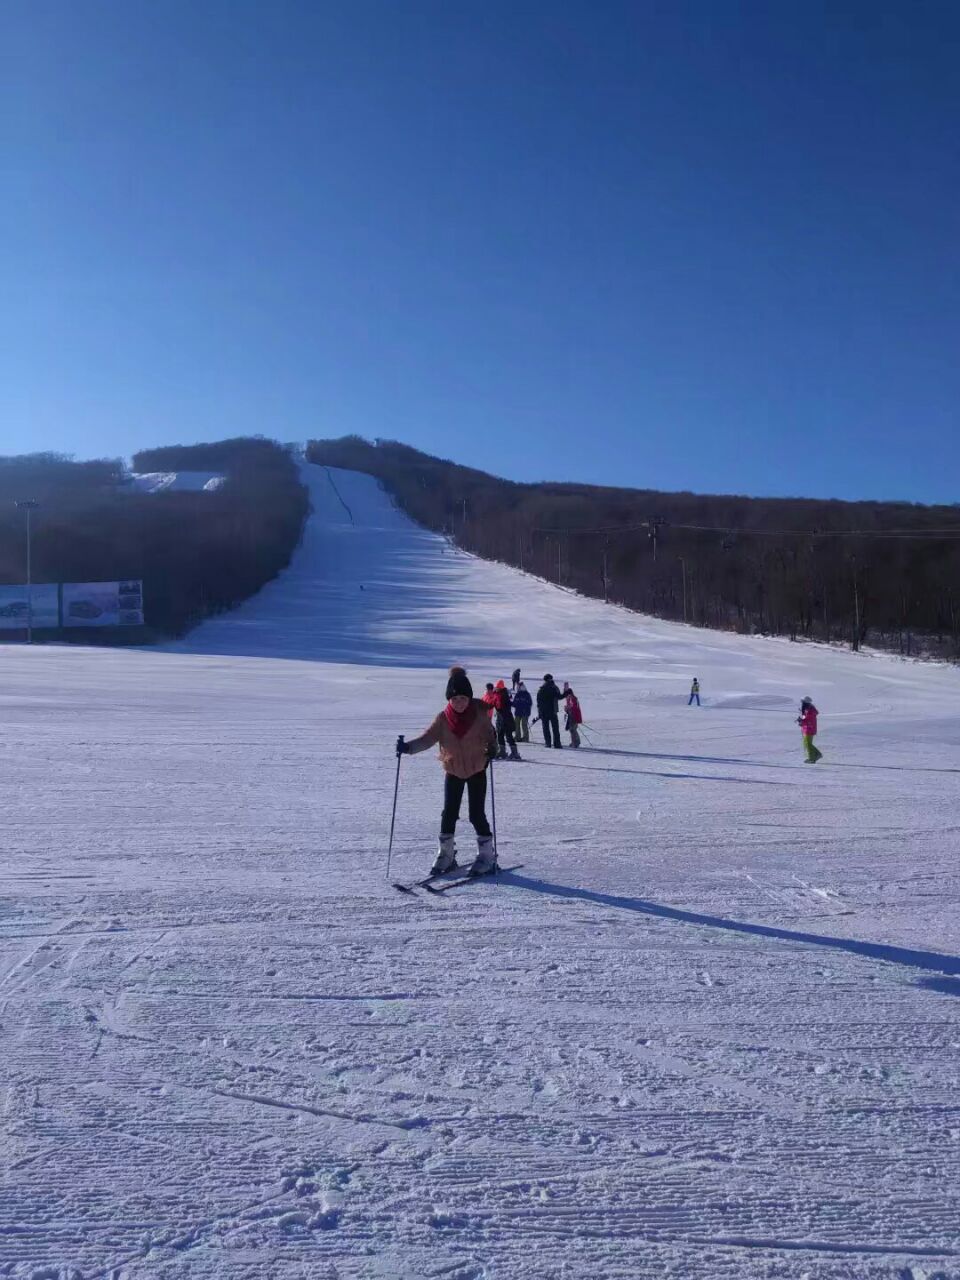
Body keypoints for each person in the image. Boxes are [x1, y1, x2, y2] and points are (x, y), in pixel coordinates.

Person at [397, 666, 498, 876]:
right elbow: (426, 739)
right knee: (448, 813)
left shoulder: (479, 715)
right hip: (452, 771)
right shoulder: (443, 719)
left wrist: (493, 748)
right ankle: (446, 855)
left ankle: (487, 856)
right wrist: (407, 748)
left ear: (469, 698)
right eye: (455, 699)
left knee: (476, 814)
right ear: (449, 700)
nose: (459, 703)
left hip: (477, 769)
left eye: (463, 698)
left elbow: (490, 735)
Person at [493, 680, 521, 760]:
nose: (496, 689)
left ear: (501, 688)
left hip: (506, 718)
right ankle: (502, 751)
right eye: (496, 687)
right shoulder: (498, 694)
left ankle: (515, 753)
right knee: (500, 735)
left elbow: (499, 706)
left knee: (508, 735)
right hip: (501, 718)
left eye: (498, 687)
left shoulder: (503, 695)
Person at [536, 674, 565, 748]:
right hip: (552, 711)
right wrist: (567, 692)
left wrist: (539, 712)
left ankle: (548, 743)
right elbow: (559, 696)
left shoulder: (541, 689)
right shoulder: (554, 688)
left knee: (546, 728)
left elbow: (538, 703)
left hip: (544, 711)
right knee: (555, 728)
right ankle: (557, 743)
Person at [797, 696, 822, 764]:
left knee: (808, 744)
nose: (802, 703)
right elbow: (805, 718)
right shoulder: (807, 709)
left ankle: (812, 758)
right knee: (806, 743)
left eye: (803, 702)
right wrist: (801, 720)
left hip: (809, 728)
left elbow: (808, 720)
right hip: (806, 728)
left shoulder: (810, 710)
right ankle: (816, 755)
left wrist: (802, 721)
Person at [563, 683, 583, 747]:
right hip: (572, 716)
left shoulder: (573, 698)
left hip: (574, 716)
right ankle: (575, 742)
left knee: (572, 729)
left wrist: (567, 708)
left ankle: (575, 742)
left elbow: (573, 707)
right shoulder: (569, 698)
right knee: (572, 729)